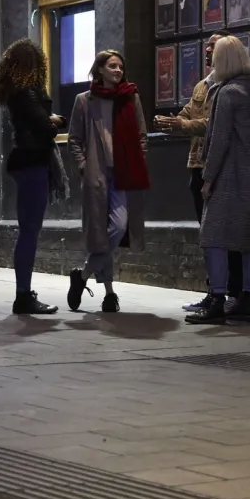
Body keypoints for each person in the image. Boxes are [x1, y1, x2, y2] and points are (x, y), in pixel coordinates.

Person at [155, 31, 243, 312]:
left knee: (226, 233)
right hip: (197, 163)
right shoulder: (204, 85)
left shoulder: (229, 87)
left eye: (213, 48)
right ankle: (214, 289)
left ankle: (234, 292)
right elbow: (189, 113)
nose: (208, 53)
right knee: (207, 234)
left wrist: (185, 125)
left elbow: (211, 124)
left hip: (219, 166)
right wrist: (173, 121)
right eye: (206, 48)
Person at [185, 35, 250, 325]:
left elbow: (218, 140)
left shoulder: (226, 93)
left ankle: (217, 299)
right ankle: (248, 298)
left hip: (228, 174)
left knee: (213, 237)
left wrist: (207, 178)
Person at [67, 50, 150, 313]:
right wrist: (84, 167)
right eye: (112, 66)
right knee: (101, 233)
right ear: (100, 69)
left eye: (121, 67)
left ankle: (82, 276)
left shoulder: (130, 97)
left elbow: (141, 135)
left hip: (124, 174)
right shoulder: (84, 100)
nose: (118, 71)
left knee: (117, 227)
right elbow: (74, 140)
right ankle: (110, 294)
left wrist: (138, 160)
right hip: (97, 174)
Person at [0, 38, 68, 316]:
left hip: (24, 160)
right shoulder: (26, 91)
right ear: (35, 64)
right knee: (29, 232)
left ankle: (24, 293)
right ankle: (23, 295)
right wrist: (56, 121)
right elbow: (45, 128)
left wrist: (50, 120)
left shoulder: (16, 91)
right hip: (32, 161)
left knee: (28, 230)